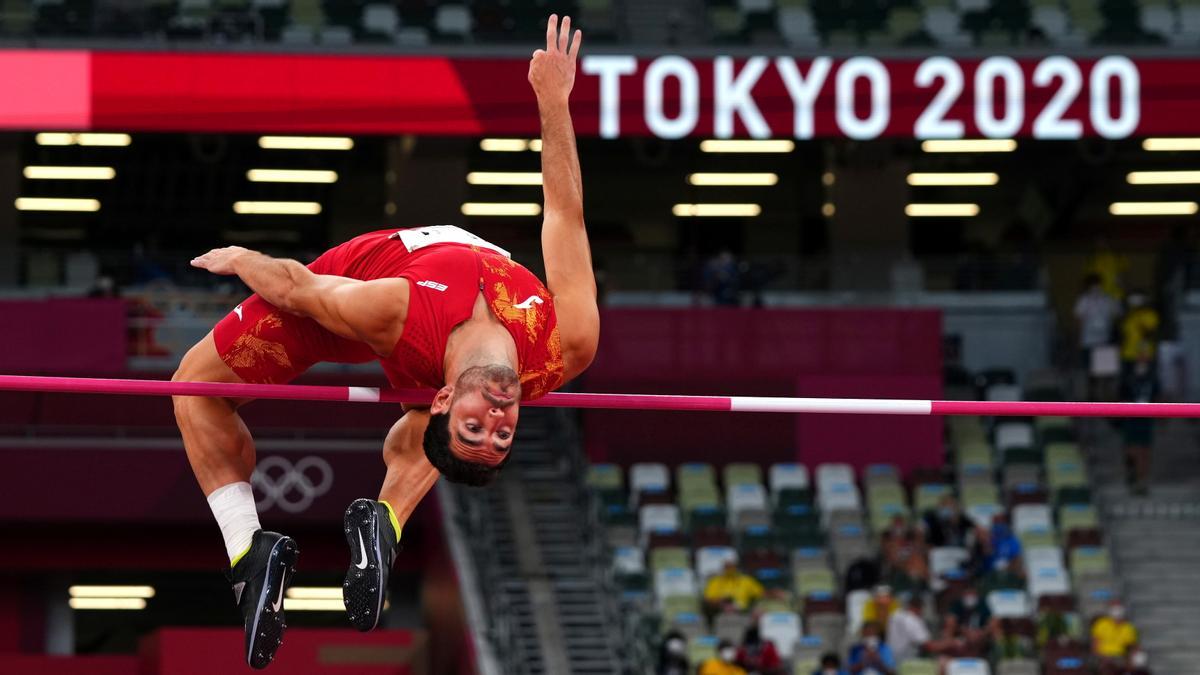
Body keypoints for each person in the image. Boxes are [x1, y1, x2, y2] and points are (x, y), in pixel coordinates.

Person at [173, 16, 598, 669]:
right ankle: (382, 520)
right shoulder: (566, 345)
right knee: (207, 393)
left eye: (475, 428)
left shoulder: (394, 311)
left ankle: (250, 548)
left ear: (447, 397)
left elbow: (298, 288)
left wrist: (243, 255)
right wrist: (553, 103)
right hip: (390, 304)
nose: (495, 423)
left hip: (358, 286)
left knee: (193, 386)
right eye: (501, 435)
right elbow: (563, 213)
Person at [1120, 349, 1159, 495]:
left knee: (1145, 451)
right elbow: (1121, 396)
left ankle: (1142, 482)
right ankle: (1133, 475)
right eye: (1140, 356)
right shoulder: (1128, 377)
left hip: (1146, 419)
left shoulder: (1152, 378)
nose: (1142, 360)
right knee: (1132, 450)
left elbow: (1157, 395)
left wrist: (1162, 415)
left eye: (1145, 357)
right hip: (1131, 418)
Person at [887, 593, 954, 662]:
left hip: (891, 660)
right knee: (944, 660)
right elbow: (929, 647)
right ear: (919, 606)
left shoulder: (895, 614)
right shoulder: (913, 620)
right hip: (907, 663)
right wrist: (950, 643)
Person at [1075, 273, 1121, 367]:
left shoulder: (1107, 299)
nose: (1095, 288)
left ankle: (1103, 380)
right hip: (1088, 339)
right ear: (1088, 287)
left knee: (1104, 368)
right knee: (1090, 367)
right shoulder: (1084, 300)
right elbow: (1079, 318)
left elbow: (1116, 314)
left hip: (1104, 339)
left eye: (1097, 285)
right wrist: (1079, 337)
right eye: (1093, 285)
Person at [1092, 601, 1139, 672]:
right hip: (1104, 657)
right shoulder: (1101, 624)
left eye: (1119, 608)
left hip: (1121, 657)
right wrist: (1102, 657)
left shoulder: (1129, 627)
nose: (1117, 610)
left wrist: (1130, 660)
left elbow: (1132, 647)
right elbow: (1095, 645)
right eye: (1114, 608)